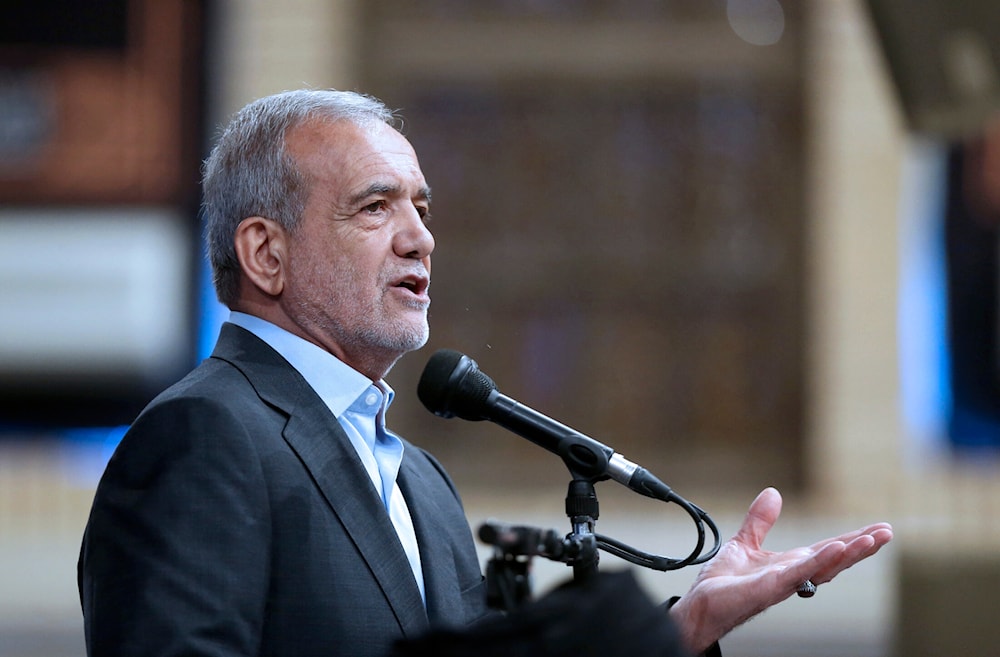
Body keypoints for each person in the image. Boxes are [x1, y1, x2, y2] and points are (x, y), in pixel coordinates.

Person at [77, 89, 893, 657]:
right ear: (265, 251)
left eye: (422, 209)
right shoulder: (203, 436)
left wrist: (680, 629)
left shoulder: (422, 482)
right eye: (375, 206)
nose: (420, 239)